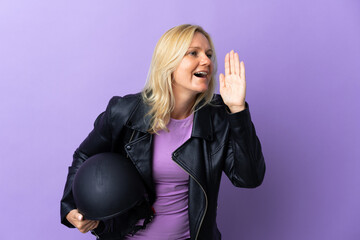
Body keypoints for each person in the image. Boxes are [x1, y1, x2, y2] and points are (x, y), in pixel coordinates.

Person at [60, 24, 265, 240]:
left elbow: (249, 178)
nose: (206, 61)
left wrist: (237, 110)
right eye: (193, 53)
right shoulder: (124, 112)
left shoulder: (218, 116)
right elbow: (84, 156)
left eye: (209, 54)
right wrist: (70, 207)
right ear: (169, 61)